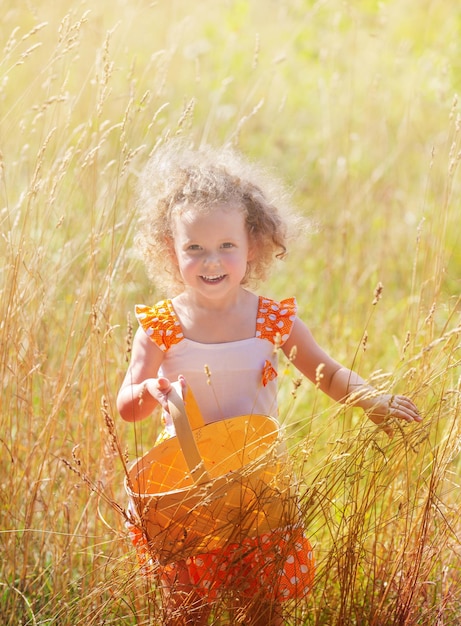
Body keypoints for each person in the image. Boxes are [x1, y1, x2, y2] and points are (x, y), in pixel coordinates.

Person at [117, 140, 421, 625]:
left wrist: (371, 399)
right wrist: (149, 392)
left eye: (226, 246)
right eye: (194, 248)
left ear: (252, 245)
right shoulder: (160, 325)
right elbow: (127, 406)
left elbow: (326, 370)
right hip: (187, 480)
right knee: (187, 610)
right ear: (169, 252)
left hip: (255, 480)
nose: (211, 261)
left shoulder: (269, 320)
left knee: (260, 607)